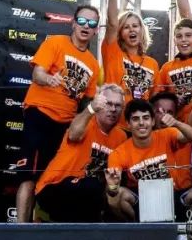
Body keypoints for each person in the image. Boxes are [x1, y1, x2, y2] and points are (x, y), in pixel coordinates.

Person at [15, 4, 101, 224]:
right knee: (29, 175)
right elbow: (37, 73)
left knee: (53, 179)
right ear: (73, 23)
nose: (86, 26)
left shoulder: (93, 64)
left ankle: (41, 227)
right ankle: (21, 231)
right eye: (82, 21)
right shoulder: (55, 43)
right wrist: (49, 79)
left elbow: (88, 100)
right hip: (41, 115)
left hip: (65, 126)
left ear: (96, 30)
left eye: (91, 23)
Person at [34, 84, 126, 222]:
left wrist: (113, 189)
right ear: (99, 103)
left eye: (118, 105)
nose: (113, 109)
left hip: (88, 194)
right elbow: (73, 135)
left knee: (105, 193)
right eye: (108, 104)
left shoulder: (121, 137)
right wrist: (91, 109)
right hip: (54, 185)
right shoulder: (86, 121)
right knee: (92, 187)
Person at [104, 98, 192, 221]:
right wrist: (112, 186)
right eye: (135, 119)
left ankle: (188, 225)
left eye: (146, 118)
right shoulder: (118, 153)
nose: (141, 123)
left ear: (153, 121)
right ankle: (134, 225)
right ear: (128, 124)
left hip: (172, 195)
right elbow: (112, 193)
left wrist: (176, 123)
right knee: (114, 197)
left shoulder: (167, 134)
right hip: (141, 200)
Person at [155, 18, 192, 189]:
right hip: (180, 133)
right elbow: (159, 100)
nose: (183, 40)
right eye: (179, 36)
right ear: (174, 39)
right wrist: (174, 102)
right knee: (182, 179)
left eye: (188, 35)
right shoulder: (167, 68)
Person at [151, 91, 192, 218]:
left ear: (176, 115)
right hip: (155, 196)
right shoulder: (144, 137)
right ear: (151, 115)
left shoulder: (184, 132)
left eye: (170, 112)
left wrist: (176, 123)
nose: (165, 116)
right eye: (159, 112)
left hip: (184, 196)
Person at [102, 0, 158, 102]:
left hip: (139, 115)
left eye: (135, 26)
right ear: (120, 33)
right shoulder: (113, 52)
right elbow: (112, 23)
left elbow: (154, 99)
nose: (132, 29)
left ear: (142, 30)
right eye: (126, 27)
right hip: (114, 113)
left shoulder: (152, 64)